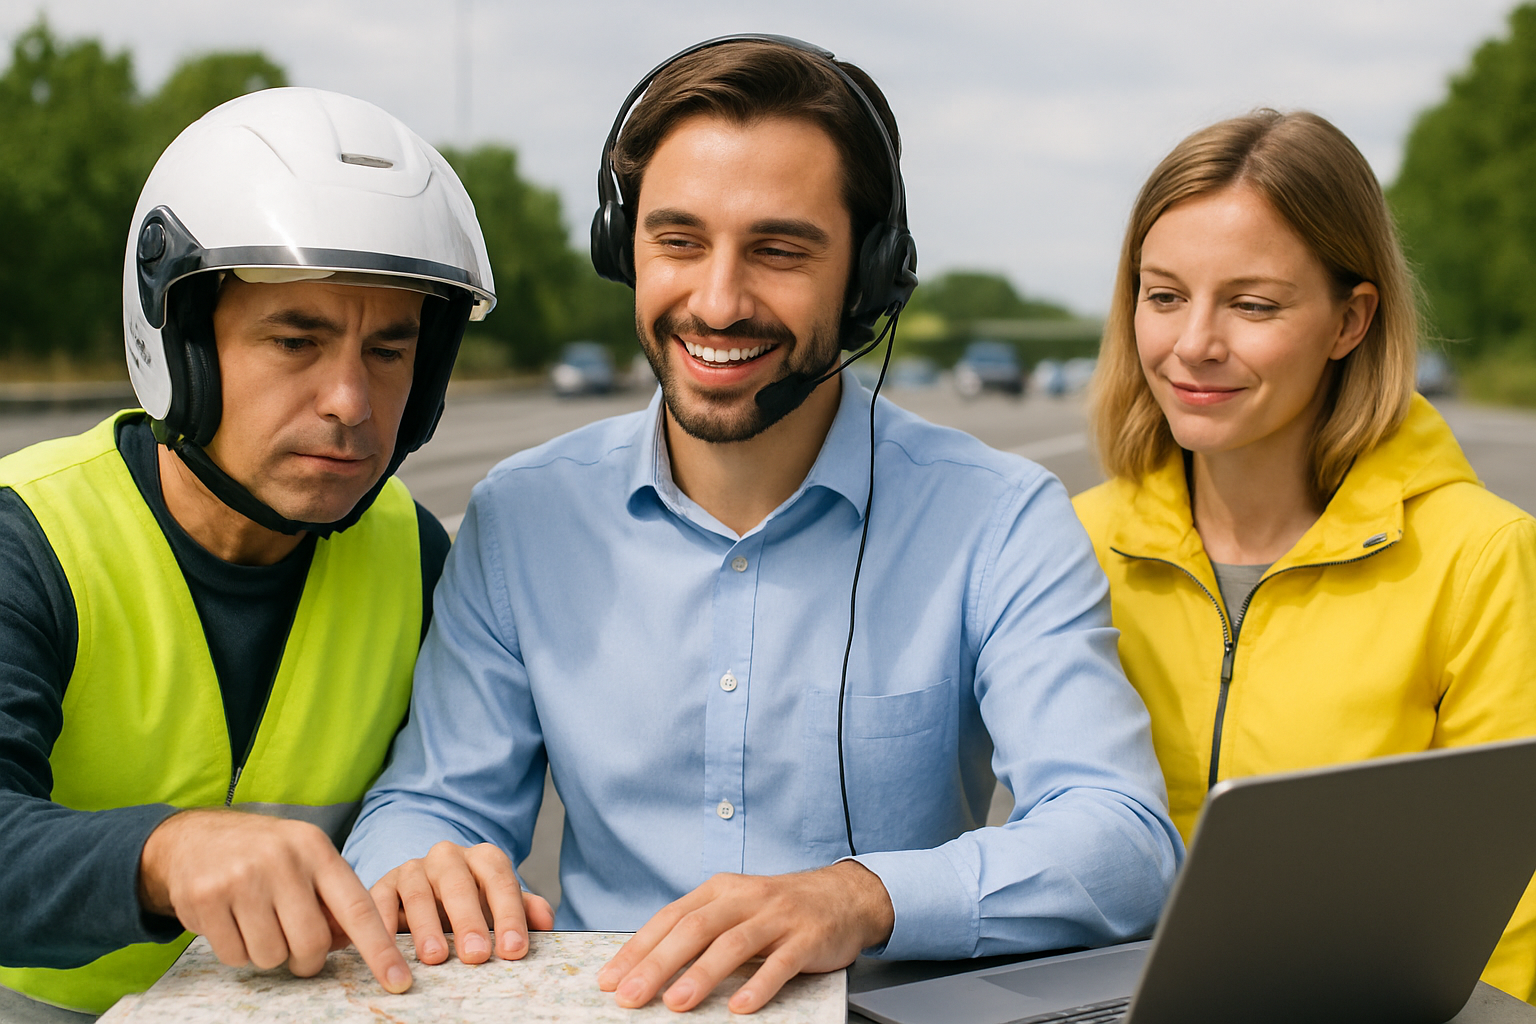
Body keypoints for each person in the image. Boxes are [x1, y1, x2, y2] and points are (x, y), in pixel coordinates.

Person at [343, 35, 1182, 1016]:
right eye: (678, 241)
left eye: (779, 250)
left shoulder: (1000, 519)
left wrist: (863, 895)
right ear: (626, 248)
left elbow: (1122, 842)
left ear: (869, 275)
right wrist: (417, 865)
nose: (718, 300)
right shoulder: (520, 517)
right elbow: (427, 804)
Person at [0, 87, 497, 1016]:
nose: (350, 399)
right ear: (181, 345)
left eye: (390, 352)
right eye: (295, 339)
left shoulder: (416, 553)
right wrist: (165, 854)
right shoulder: (29, 537)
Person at [1071, 109, 1536, 1002]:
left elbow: (1511, 916)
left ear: (1350, 321)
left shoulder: (1479, 557)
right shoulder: (1073, 546)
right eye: (1164, 295)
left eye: (1253, 304)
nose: (1194, 343)